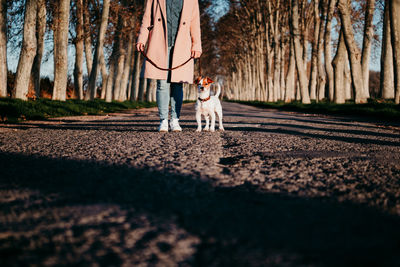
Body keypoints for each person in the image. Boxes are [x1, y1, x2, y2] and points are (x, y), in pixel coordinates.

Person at [136, 0, 202, 132]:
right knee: (162, 83)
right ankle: (163, 120)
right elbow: (147, 18)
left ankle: (175, 120)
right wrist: (141, 38)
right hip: (159, 44)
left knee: (178, 83)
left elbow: (195, 23)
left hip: (182, 46)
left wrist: (196, 45)